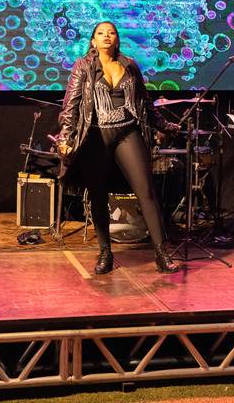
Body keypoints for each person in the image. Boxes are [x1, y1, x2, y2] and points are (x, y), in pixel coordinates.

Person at [56, 21, 180, 274]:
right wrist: (65, 138)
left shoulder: (129, 65)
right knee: (98, 194)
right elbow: (71, 105)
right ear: (93, 41)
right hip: (96, 134)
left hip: (127, 131)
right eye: (100, 33)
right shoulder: (83, 66)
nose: (106, 36)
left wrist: (166, 125)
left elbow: (145, 102)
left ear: (117, 39)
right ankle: (105, 253)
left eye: (111, 33)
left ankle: (161, 253)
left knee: (146, 191)